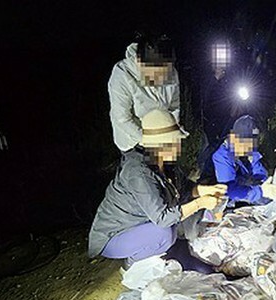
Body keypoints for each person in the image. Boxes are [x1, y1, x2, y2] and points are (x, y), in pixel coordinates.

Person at [88, 110, 227, 268]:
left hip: (140, 224)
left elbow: (183, 189)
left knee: (172, 231)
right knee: (164, 234)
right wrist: (199, 203)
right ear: (161, 144)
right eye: (175, 142)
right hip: (113, 235)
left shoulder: (163, 163)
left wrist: (204, 190)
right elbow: (163, 218)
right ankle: (131, 267)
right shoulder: (138, 172)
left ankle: (150, 251)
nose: (179, 145)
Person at [108, 34, 181, 152]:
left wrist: (172, 129)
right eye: (156, 75)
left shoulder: (171, 72)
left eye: (165, 74)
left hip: (164, 139)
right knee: (139, 169)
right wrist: (149, 141)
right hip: (134, 143)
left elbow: (174, 105)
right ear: (140, 63)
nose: (161, 80)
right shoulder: (122, 74)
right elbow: (122, 119)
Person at [212, 115, 276, 205]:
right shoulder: (222, 156)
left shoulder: (249, 148)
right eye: (246, 142)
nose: (249, 148)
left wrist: (265, 184)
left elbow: (260, 172)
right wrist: (261, 191)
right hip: (228, 200)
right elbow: (229, 190)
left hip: (250, 191)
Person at [198, 42, 239, 183]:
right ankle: (204, 175)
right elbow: (204, 96)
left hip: (226, 118)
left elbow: (234, 94)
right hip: (210, 119)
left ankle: (221, 172)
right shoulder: (208, 78)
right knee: (209, 146)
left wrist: (235, 107)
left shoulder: (229, 79)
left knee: (223, 144)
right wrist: (215, 77)